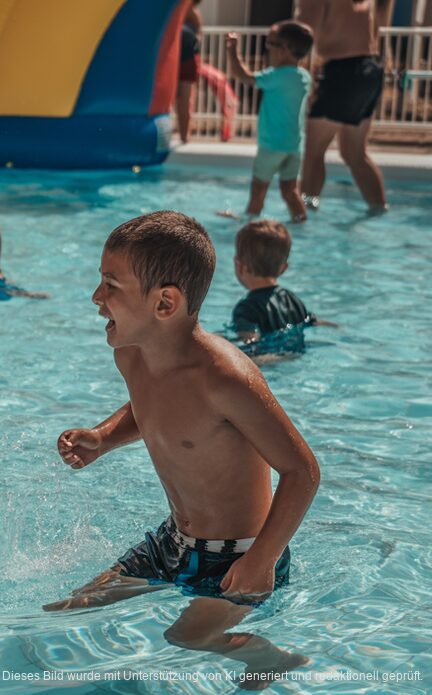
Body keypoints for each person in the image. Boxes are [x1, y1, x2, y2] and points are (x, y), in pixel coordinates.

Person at [47, 211, 320, 688]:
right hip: (172, 542)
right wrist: (104, 437)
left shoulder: (225, 380)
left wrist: (260, 561)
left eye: (111, 285)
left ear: (165, 303)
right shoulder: (130, 352)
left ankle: (272, 659)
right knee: (70, 606)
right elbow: (149, 405)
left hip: (239, 556)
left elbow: (303, 472)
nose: (96, 297)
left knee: (187, 639)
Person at [296, 0, 393, 213]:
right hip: (371, 70)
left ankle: (304, 212)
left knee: (314, 151)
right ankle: (379, 209)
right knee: (354, 152)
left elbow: (300, 33)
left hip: (342, 71)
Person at [223, 22, 314, 223]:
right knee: (290, 191)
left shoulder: (277, 76)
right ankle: (301, 221)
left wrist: (232, 50)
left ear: (283, 50)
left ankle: (250, 226)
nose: (267, 49)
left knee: (258, 191)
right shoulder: (304, 77)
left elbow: (243, 76)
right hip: (294, 146)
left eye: (269, 43)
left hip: (272, 146)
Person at [231, 220, 332, 349]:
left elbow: (248, 343)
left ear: (239, 267)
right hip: (297, 352)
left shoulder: (246, 309)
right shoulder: (293, 299)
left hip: (267, 361)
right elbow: (313, 322)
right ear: (283, 268)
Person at [175, 0, 203, 144]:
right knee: (176, 100)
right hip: (173, 60)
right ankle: (179, 135)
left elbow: (196, 37)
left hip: (188, 59)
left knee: (184, 101)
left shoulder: (193, 15)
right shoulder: (175, 12)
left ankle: (184, 137)